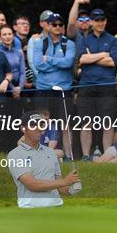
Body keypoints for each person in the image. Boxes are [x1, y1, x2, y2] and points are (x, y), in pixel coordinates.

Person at [8, 111, 81, 208]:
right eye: (33, 125)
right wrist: (65, 181)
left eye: (40, 125)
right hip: (30, 210)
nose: (38, 128)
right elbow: (32, 184)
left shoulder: (50, 152)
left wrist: (72, 188)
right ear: (23, 128)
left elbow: (60, 187)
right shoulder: (15, 154)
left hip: (57, 208)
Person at [76, 8, 117, 160]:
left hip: (106, 86)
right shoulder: (84, 39)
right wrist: (103, 55)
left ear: (106, 21)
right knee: (86, 123)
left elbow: (112, 62)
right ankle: (86, 155)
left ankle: (108, 155)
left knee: (107, 123)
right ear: (91, 22)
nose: (100, 23)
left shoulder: (113, 40)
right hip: (86, 85)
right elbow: (82, 59)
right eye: (97, 20)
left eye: (102, 20)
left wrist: (91, 57)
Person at [33, 12, 76, 160]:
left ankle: (68, 156)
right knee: (40, 123)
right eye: (54, 24)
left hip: (63, 90)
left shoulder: (69, 44)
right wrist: (59, 63)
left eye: (60, 24)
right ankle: (37, 154)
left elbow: (69, 63)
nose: (57, 27)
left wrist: (49, 59)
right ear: (48, 26)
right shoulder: (40, 43)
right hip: (44, 89)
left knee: (65, 124)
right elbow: (38, 64)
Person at [0, 24, 26, 140]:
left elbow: (23, 71)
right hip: (6, 89)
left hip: (19, 89)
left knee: (18, 119)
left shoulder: (18, 52)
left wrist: (20, 88)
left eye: (10, 34)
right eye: (4, 34)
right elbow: (2, 73)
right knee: (6, 120)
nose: (8, 37)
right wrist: (13, 88)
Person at [27, 10, 53, 80]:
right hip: (42, 83)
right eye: (48, 21)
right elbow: (32, 63)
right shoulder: (33, 40)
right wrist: (44, 79)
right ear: (41, 24)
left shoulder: (62, 39)